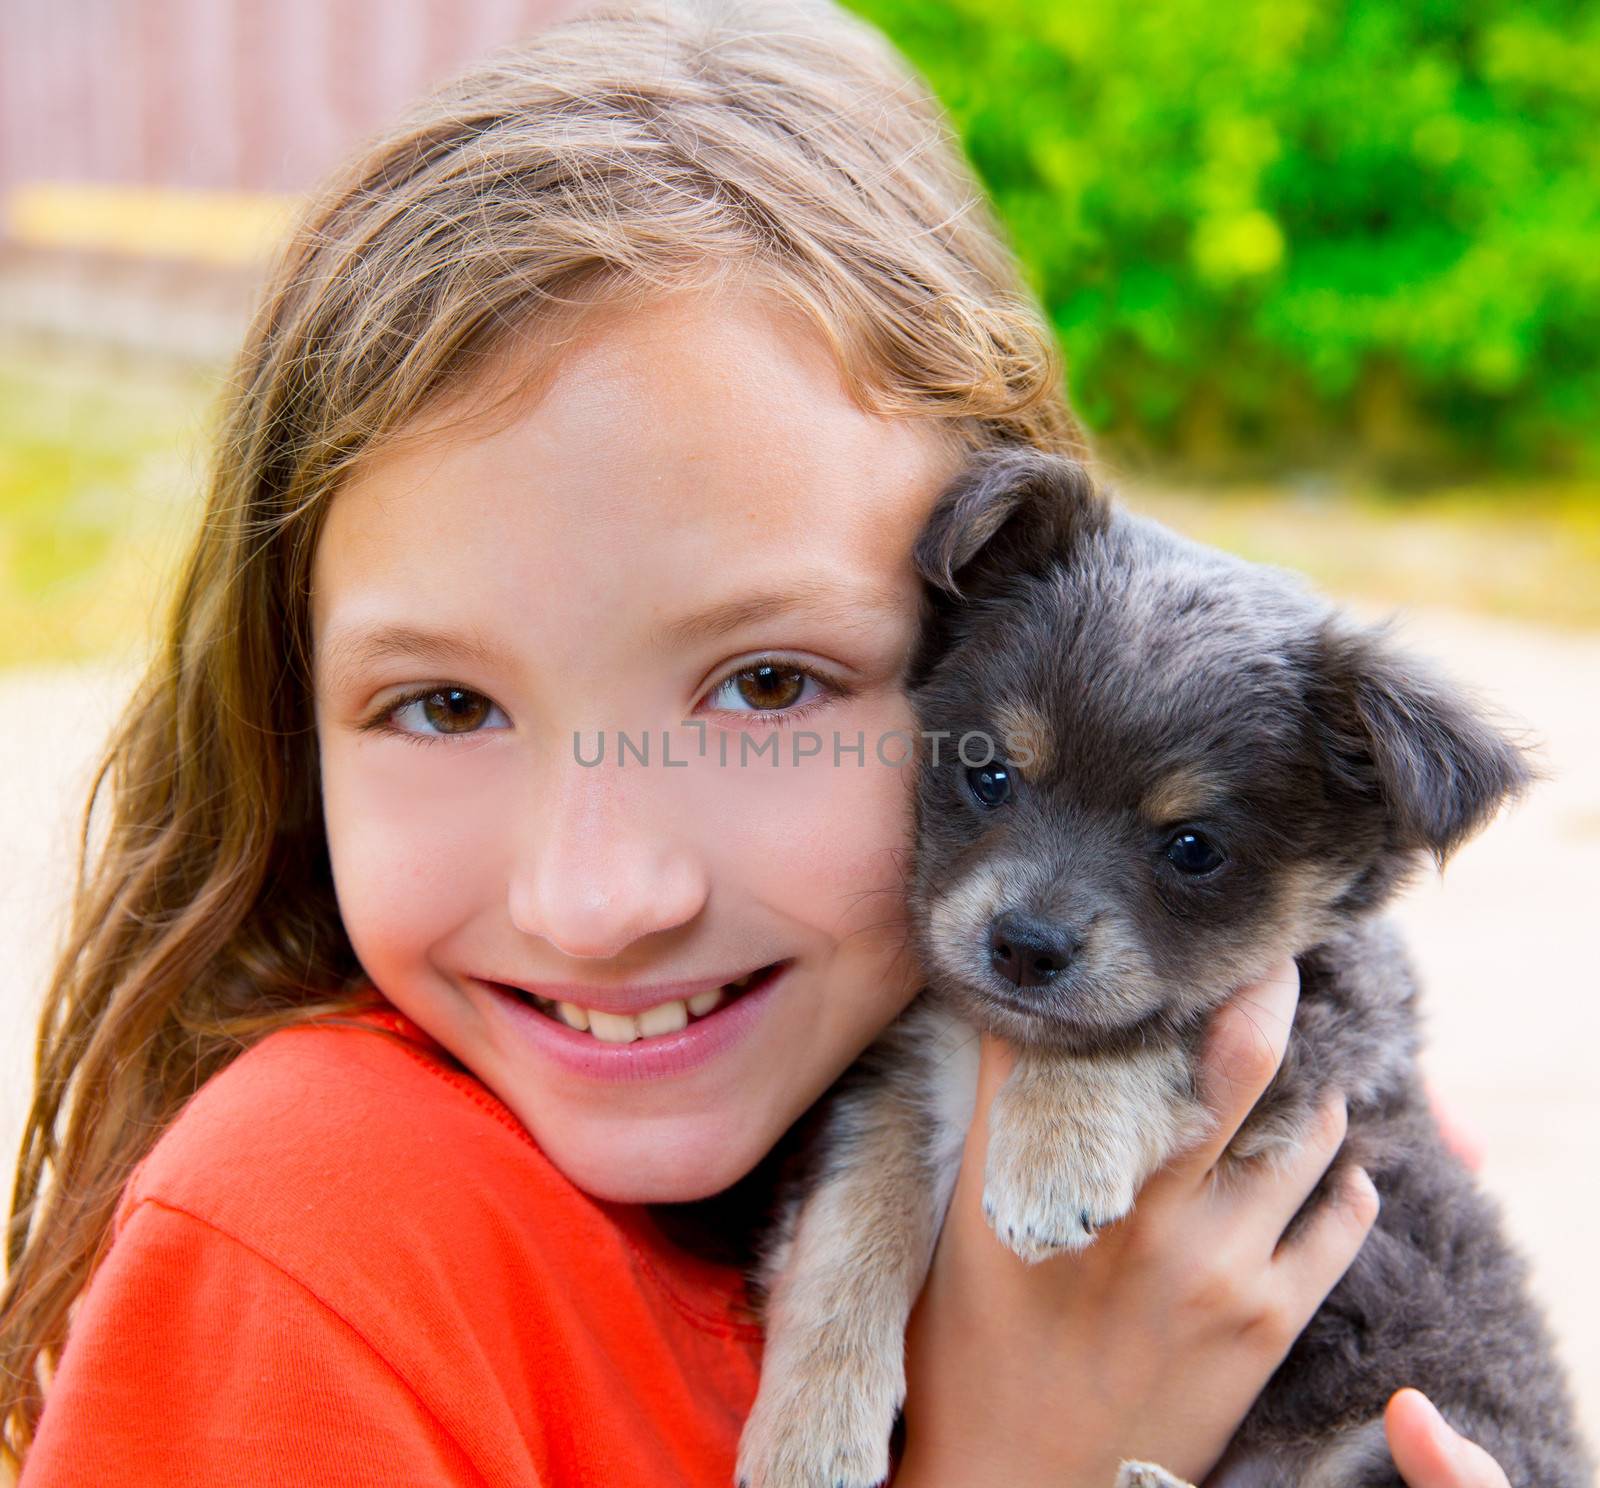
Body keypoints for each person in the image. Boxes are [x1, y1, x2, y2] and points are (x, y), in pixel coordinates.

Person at [0, 1, 1519, 1483]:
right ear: (285, 715)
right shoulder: (304, 1258)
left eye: (771, 687)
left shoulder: (1276, 1132)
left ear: (980, 620)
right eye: (447, 705)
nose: (601, 895)